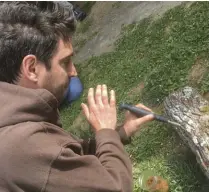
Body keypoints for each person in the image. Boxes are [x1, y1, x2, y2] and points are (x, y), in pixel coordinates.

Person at [0, 2, 154, 192]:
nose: (74, 71)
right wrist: (105, 131)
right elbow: (116, 187)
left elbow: (71, 160)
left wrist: (118, 133)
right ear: (32, 69)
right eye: (65, 62)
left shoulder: (14, 117)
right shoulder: (24, 147)